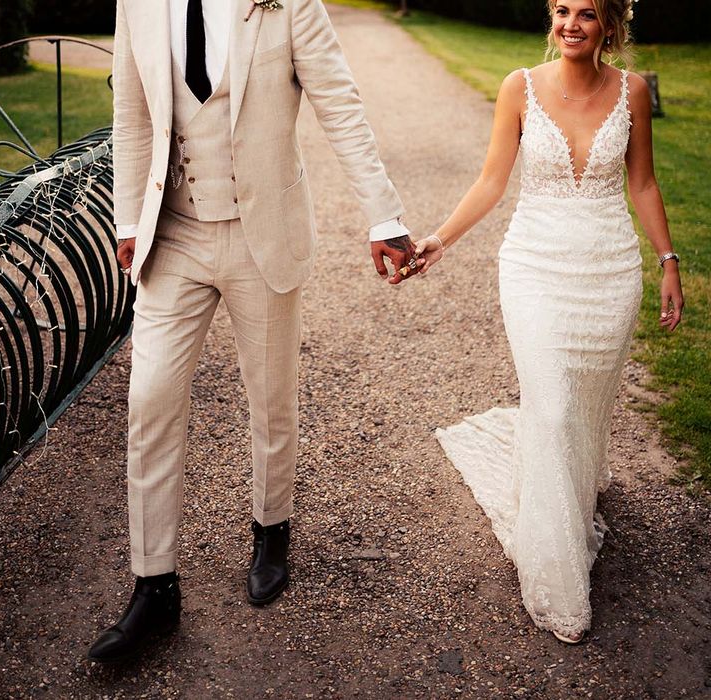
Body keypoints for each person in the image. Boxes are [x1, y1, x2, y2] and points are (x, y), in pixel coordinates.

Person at [88, 0, 420, 664]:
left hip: (261, 234)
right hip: (172, 235)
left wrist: (383, 215)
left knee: (270, 398)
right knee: (149, 402)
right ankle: (154, 587)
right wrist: (129, 219)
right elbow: (131, 113)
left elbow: (340, 105)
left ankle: (272, 530)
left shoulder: (287, 1)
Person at [414, 0, 683, 644]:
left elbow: (642, 183)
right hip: (534, 267)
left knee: (588, 401)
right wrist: (438, 240)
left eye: (586, 13)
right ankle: (557, 574)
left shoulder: (634, 92)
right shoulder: (519, 88)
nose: (569, 24)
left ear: (609, 26)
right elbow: (490, 182)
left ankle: (576, 487)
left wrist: (668, 260)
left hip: (612, 269)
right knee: (553, 406)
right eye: (561, 9)